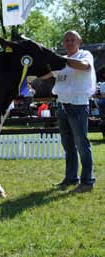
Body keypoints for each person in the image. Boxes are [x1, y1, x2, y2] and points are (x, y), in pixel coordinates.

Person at [49, 30, 96, 193]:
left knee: (82, 144)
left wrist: (61, 59)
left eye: (72, 40)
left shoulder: (85, 55)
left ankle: (87, 181)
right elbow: (46, 74)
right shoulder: (61, 61)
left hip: (78, 105)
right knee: (68, 145)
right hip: (62, 104)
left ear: (79, 41)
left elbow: (84, 66)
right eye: (66, 40)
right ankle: (71, 178)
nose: (69, 43)